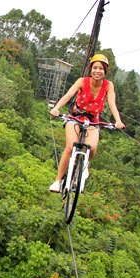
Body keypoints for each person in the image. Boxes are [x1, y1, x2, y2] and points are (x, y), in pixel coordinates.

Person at [48, 54, 125, 193]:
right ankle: (58, 181)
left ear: (105, 71)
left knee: (92, 148)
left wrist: (118, 121)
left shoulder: (108, 85)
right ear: (91, 69)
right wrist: (56, 108)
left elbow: (112, 103)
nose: (97, 71)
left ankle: (84, 166)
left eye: (101, 68)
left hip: (93, 120)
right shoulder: (82, 81)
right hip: (76, 117)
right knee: (71, 147)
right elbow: (68, 95)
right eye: (95, 67)